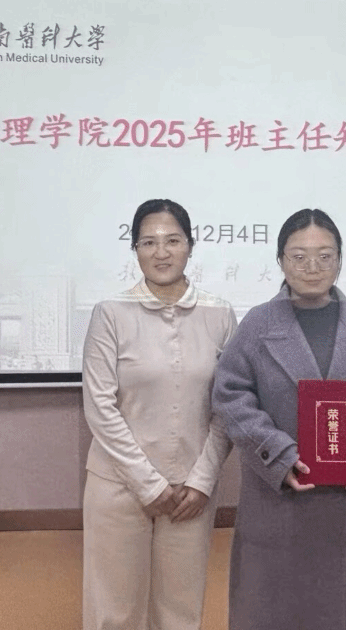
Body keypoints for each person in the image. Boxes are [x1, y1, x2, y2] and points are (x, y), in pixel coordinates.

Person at [212, 209, 346, 630]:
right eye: (299, 257)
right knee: (273, 608)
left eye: (324, 256)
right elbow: (231, 396)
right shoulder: (257, 324)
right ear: (281, 260)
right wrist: (277, 454)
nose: (312, 267)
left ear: (340, 260)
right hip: (277, 496)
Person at [80, 199, 236, 630]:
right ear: (134, 249)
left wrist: (203, 480)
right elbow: (100, 406)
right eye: (148, 242)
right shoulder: (110, 313)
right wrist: (147, 484)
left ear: (191, 245)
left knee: (180, 611)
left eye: (172, 241)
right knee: (114, 611)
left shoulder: (220, 314)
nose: (161, 252)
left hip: (190, 491)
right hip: (118, 485)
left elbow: (229, 405)